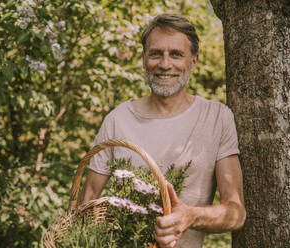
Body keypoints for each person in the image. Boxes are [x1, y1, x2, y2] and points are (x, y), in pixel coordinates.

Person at [80, 13, 246, 248]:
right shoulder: (118, 120)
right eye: (156, 53)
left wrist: (190, 216)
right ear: (144, 59)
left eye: (176, 54)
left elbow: (236, 212)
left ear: (194, 61)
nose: (165, 64)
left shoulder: (217, 118)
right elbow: (85, 203)